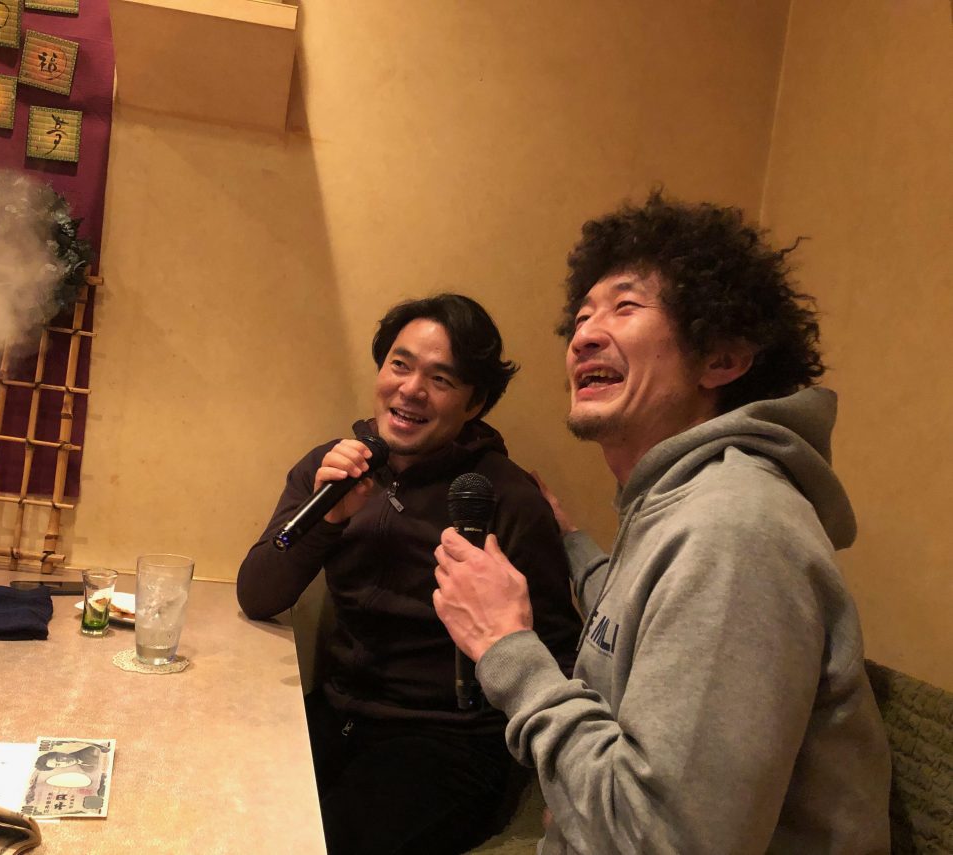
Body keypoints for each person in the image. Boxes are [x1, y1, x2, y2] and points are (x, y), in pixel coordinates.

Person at [432, 191, 892, 854]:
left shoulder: (735, 531)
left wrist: (505, 645)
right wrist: (572, 544)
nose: (584, 336)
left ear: (721, 358)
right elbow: (645, 626)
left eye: (626, 307)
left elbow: (661, 840)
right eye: (582, 316)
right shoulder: (675, 505)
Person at [237, 293, 582, 855]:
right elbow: (258, 594)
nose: (412, 389)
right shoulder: (332, 468)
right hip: (336, 711)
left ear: (475, 403)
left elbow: (561, 652)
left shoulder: (505, 498)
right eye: (400, 365)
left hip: (451, 742)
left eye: (441, 379)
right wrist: (328, 519)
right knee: (234, 806)